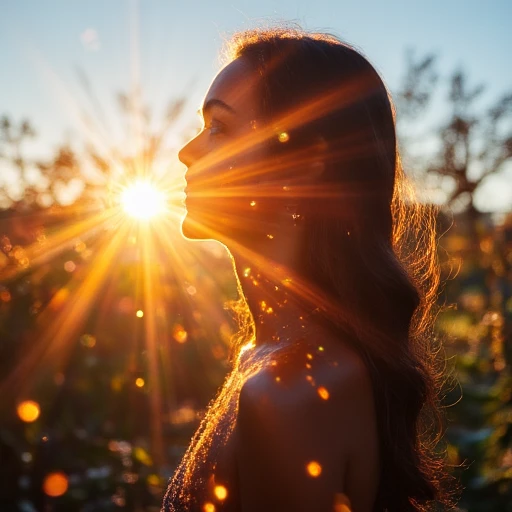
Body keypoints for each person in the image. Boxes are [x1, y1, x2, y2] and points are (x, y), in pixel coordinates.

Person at [162, 27, 455, 512]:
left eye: (220, 127)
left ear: (305, 164)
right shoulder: (263, 356)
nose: (187, 152)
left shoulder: (292, 394)